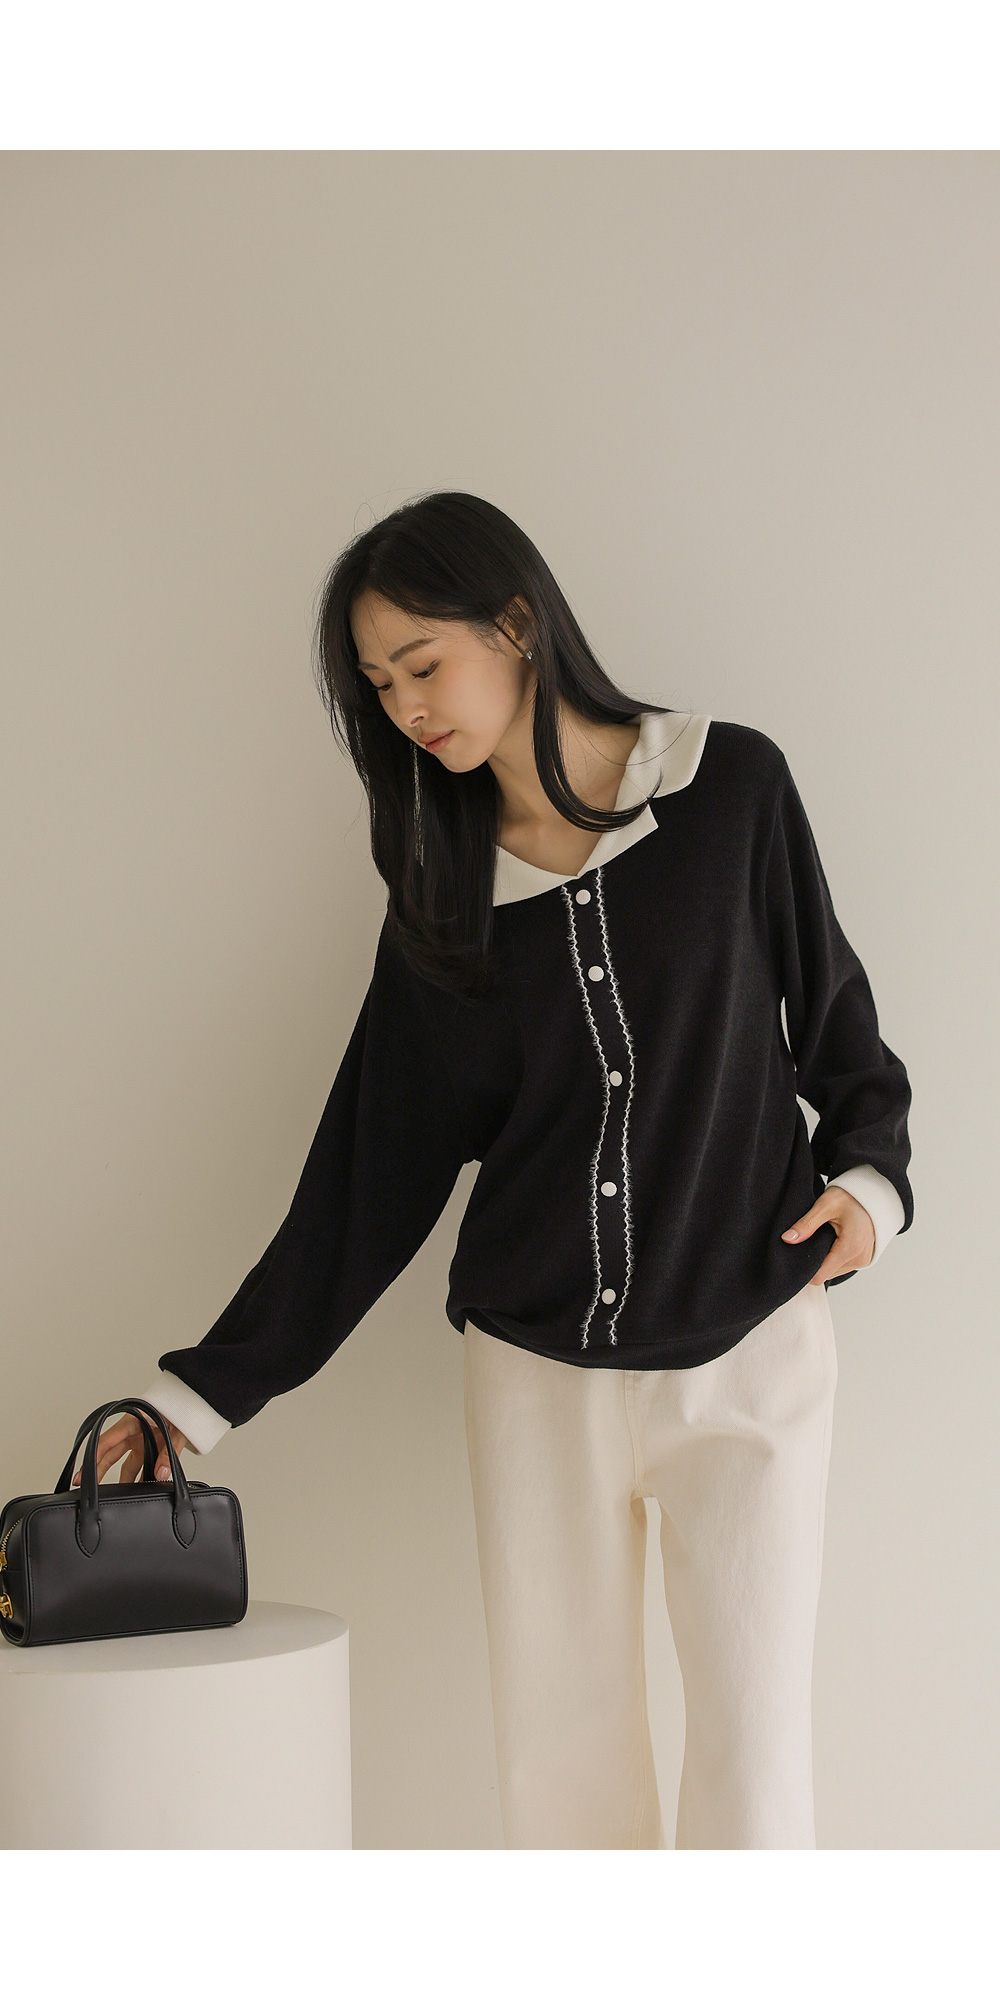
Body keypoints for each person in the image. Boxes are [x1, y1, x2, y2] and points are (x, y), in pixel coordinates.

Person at [76, 490, 913, 1848]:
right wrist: (196, 1400)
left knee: (757, 1765)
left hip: (752, 1343)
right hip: (536, 1377)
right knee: (560, 1772)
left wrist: (871, 1180)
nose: (405, 706)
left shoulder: (729, 791)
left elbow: (837, 1018)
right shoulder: (443, 900)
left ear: (517, 623)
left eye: (422, 663)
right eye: (377, 684)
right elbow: (368, 1179)